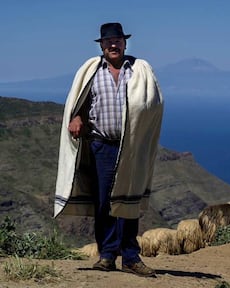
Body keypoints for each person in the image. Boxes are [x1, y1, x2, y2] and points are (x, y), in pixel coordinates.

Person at [54, 22, 164, 277]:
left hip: (131, 147)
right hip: (101, 146)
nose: (114, 45)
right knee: (104, 202)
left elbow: (154, 103)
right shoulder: (90, 71)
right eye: (109, 41)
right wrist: (77, 117)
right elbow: (79, 99)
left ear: (125, 43)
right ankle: (106, 255)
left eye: (118, 40)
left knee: (128, 201)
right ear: (101, 45)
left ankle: (131, 257)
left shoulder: (140, 70)